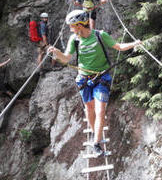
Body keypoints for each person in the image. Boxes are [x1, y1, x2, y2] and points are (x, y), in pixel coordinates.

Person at [48, 10, 141, 156]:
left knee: (100, 111)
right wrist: (56, 52)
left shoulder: (100, 35)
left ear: (79, 25)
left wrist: (135, 43)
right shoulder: (75, 39)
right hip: (84, 79)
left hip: (102, 78)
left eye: (72, 26)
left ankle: (96, 143)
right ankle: (94, 132)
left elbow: (119, 47)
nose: (71, 29)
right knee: (89, 109)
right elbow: (66, 58)